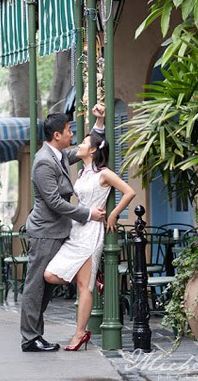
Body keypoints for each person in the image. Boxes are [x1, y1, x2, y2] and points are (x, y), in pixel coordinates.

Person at [20, 104, 106, 352]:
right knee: (36, 286)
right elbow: (55, 202)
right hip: (45, 231)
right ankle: (29, 338)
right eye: (69, 130)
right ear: (56, 135)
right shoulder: (43, 162)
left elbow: (84, 150)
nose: (72, 134)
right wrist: (88, 213)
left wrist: (98, 124)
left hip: (58, 231)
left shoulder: (58, 156)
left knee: (45, 287)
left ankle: (36, 335)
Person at [44, 131, 136, 351]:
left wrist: (113, 215)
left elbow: (129, 191)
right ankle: (95, 281)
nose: (79, 146)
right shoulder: (83, 172)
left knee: (84, 288)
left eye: (84, 143)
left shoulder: (103, 174)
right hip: (77, 228)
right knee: (50, 275)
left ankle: (79, 334)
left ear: (93, 150)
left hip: (92, 232)